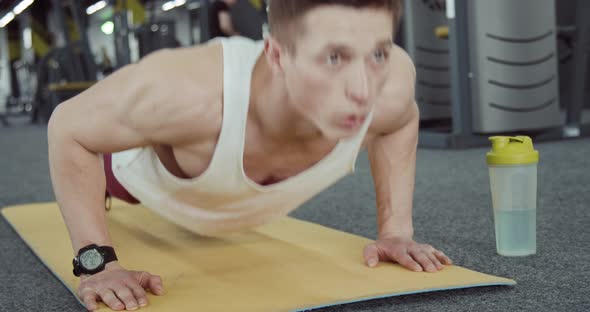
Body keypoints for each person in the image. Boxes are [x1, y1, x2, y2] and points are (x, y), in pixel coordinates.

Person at [47, 0, 453, 311]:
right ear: (277, 55)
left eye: (377, 54)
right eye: (334, 58)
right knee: (102, 158)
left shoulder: (391, 84)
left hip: (234, 190)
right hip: (153, 179)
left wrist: (395, 229)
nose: (363, 90)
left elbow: (401, 120)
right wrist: (97, 265)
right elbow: (68, 128)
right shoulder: (187, 93)